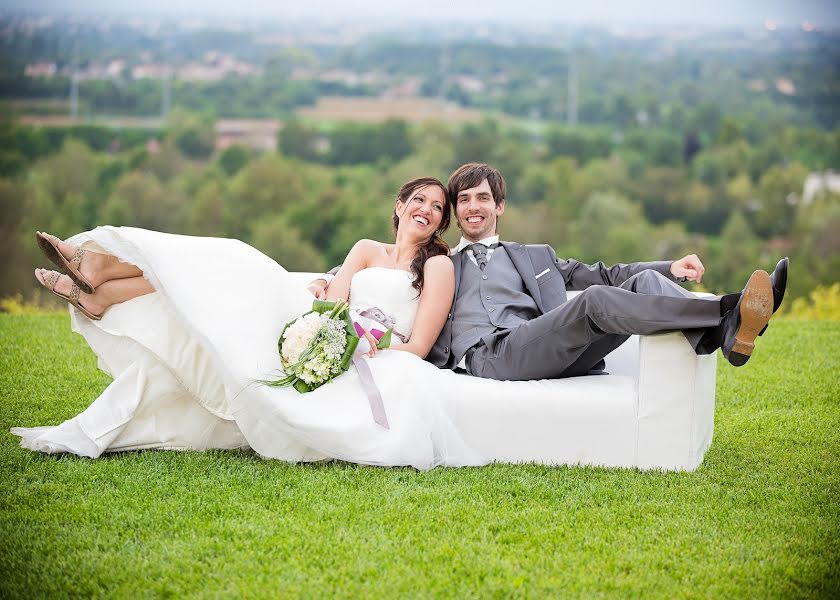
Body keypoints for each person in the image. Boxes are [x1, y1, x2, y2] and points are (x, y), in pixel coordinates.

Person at [13, 177, 486, 470]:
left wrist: (360, 349)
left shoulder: (438, 265)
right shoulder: (365, 249)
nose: (426, 209)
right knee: (223, 271)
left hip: (368, 352)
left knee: (234, 263)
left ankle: (103, 280)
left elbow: (420, 344)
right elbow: (333, 303)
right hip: (318, 327)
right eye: (418, 199)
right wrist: (324, 293)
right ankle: (104, 276)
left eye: (437, 208)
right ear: (400, 206)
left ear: (440, 223)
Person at [313, 163, 788, 381]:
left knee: (634, 284)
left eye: (483, 197)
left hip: (549, 345)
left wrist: (669, 267)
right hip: (489, 355)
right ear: (455, 215)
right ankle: (724, 315)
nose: (473, 207)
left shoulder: (535, 256)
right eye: (463, 200)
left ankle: (726, 331)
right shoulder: (440, 262)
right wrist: (328, 277)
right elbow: (387, 268)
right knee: (597, 304)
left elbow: (602, 271)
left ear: (499, 205)